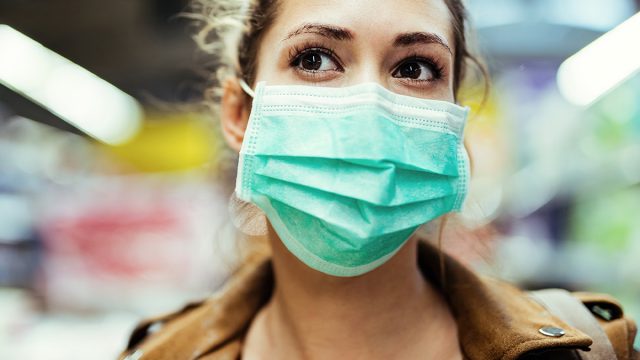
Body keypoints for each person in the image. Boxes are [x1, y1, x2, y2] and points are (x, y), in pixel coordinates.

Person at [119, 0, 639, 359]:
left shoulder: (584, 353)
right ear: (239, 113)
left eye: (415, 68)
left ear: (454, 124)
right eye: (315, 58)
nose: (369, 105)